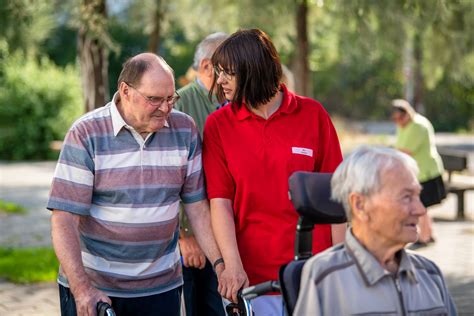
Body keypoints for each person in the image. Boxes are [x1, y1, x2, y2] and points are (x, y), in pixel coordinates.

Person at [47, 53, 235, 316]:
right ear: (125, 90)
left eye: (171, 98)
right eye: (154, 99)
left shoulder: (184, 130)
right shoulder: (86, 133)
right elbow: (64, 219)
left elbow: (197, 209)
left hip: (161, 289)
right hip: (97, 290)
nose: (166, 108)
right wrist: (82, 289)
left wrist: (219, 265)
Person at [202, 28, 346, 315]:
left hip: (313, 269)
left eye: (228, 72)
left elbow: (336, 195)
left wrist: (340, 263)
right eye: (218, 72)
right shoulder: (218, 126)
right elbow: (220, 202)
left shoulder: (312, 114)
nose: (220, 81)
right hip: (253, 277)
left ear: (253, 70)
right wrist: (232, 266)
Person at [294, 146, 457, 315]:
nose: (420, 210)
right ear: (360, 205)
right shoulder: (326, 277)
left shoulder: (430, 274)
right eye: (406, 197)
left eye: (418, 196)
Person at [174, 32, 229, 316]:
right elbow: (173, 178)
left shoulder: (233, 103)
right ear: (207, 66)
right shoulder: (179, 105)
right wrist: (185, 235)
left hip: (225, 233)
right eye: (229, 63)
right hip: (194, 239)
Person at [391, 99, 446, 249]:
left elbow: (405, 151)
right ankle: (429, 233)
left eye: (400, 118)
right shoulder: (404, 125)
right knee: (423, 206)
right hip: (416, 173)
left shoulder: (418, 126)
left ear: (407, 113)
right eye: (395, 119)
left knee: (420, 206)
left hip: (427, 172)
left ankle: (424, 236)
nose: (398, 122)